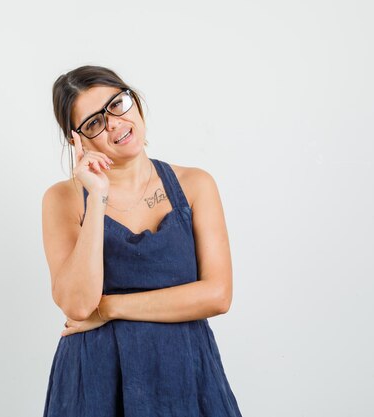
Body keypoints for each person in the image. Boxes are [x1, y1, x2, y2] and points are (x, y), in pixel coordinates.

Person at [41, 65, 243, 416]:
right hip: (95, 382)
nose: (115, 124)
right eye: (93, 123)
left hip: (184, 375)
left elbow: (217, 295)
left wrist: (110, 309)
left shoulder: (196, 184)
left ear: (134, 101)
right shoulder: (63, 199)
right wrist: (98, 196)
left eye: (117, 104)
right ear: (78, 140)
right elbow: (76, 305)